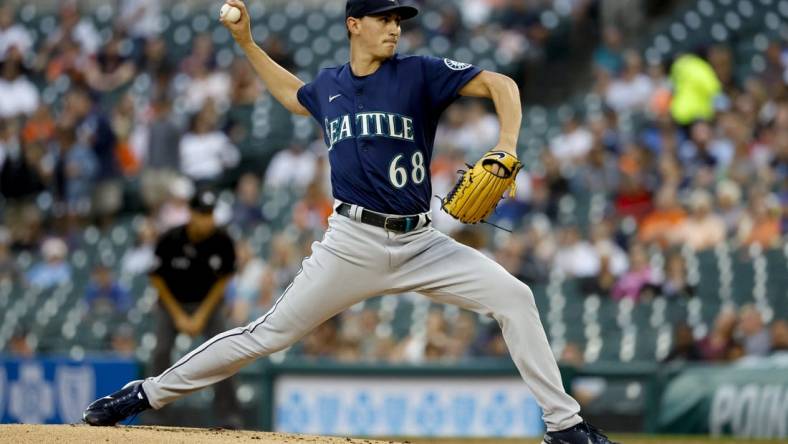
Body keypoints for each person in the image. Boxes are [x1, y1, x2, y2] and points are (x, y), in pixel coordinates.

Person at [83, 2, 613, 442]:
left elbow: (501, 83)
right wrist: (246, 43)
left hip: (421, 241)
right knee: (265, 335)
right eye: (383, 18)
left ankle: (564, 427)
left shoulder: (419, 73)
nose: (394, 27)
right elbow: (294, 96)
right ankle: (142, 394)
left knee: (515, 296)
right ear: (353, 24)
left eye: (398, 19)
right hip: (351, 243)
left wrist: (506, 143)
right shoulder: (330, 85)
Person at [144, 189, 242, 427]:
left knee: (224, 353)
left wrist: (200, 315)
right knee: (161, 351)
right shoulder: (171, 238)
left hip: (207, 305)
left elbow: (224, 279)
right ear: (191, 214)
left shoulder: (222, 240)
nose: (207, 219)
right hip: (172, 306)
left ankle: (227, 413)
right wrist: (178, 315)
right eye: (202, 213)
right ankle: (157, 412)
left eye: (210, 214)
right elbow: (157, 278)